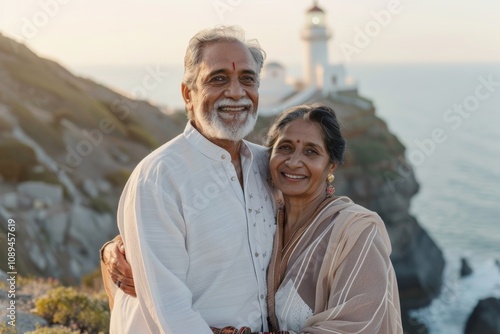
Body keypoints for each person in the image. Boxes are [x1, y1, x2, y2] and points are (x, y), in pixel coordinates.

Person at [104, 102, 403, 332]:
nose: (294, 161)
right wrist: (117, 249)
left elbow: (362, 326)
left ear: (331, 165)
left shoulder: (356, 232)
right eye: (285, 148)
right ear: (267, 155)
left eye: (311, 152)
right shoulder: (267, 210)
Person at [106, 25, 277, 333]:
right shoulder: (159, 177)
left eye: (247, 79)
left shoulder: (268, 165)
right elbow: (169, 309)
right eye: (218, 78)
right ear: (188, 94)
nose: (236, 92)